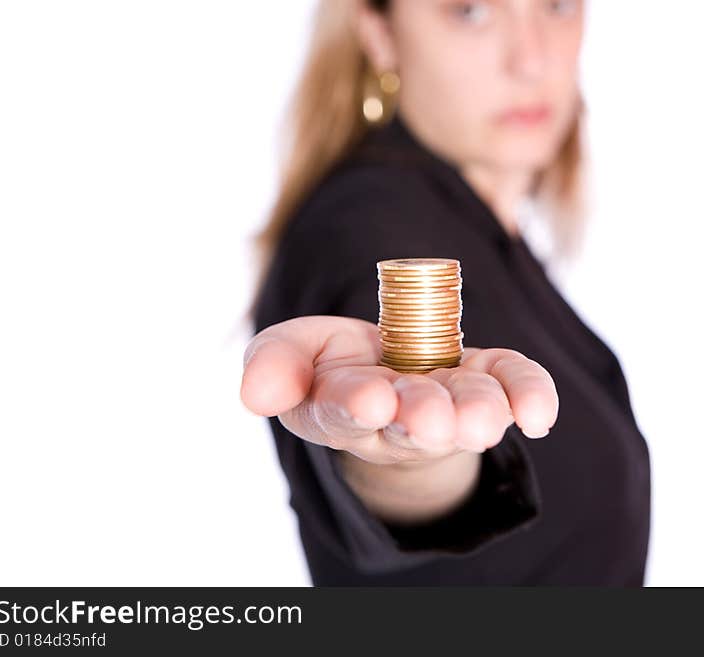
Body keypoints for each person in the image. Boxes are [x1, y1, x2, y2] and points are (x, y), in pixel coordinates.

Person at [241, 0, 650, 585]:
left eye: (557, 6)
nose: (532, 60)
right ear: (379, 34)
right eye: (471, 11)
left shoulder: (487, 228)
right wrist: (410, 463)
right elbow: (385, 455)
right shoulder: (361, 224)